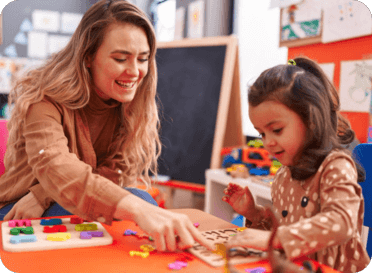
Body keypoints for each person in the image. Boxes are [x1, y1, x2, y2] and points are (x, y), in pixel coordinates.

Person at [0, 0, 215, 253]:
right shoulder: (44, 100)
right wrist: (138, 209)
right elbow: (55, 166)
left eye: (143, 59)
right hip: (18, 208)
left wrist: (43, 193)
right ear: (88, 56)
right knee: (138, 202)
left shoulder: (128, 105)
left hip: (66, 200)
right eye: (121, 58)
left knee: (139, 201)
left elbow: (112, 172)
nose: (134, 71)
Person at [222, 57, 370, 272]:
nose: (268, 142)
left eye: (277, 130)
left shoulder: (336, 165)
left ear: (310, 120)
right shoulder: (283, 174)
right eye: (262, 133)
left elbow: (341, 222)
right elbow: (290, 230)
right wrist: (255, 213)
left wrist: (274, 239)